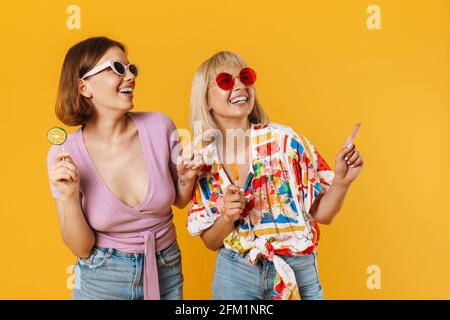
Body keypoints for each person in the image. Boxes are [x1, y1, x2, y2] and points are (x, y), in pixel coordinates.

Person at [187, 51, 364, 300]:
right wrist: (227, 216)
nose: (240, 86)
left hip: (297, 270)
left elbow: (323, 215)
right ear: (206, 100)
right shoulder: (203, 159)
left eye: (245, 77)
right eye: (226, 81)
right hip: (236, 275)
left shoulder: (286, 142)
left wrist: (343, 181)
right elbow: (211, 242)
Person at [47, 37, 201, 300]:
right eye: (117, 68)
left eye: (131, 69)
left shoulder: (160, 126)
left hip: (165, 265)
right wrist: (70, 197)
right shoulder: (64, 155)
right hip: (102, 275)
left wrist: (187, 178)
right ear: (84, 86)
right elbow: (82, 248)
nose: (130, 76)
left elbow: (179, 200)